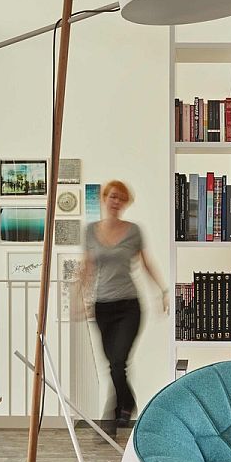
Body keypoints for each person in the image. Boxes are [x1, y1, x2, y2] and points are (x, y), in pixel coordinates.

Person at [74, 180, 168, 435]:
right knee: (112, 365)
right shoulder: (90, 231)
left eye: (121, 199)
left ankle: (111, 420)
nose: (116, 202)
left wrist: (162, 290)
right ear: (104, 198)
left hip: (129, 306)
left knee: (118, 362)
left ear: (125, 204)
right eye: (112, 197)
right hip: (102, 307)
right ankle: (127, 403)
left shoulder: (134, 231)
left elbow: (145, 262)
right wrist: (78, 298)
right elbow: (87, 267)